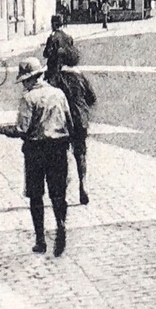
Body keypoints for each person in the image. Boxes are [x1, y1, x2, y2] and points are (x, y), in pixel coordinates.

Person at [0, 58, 73, 256]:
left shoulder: (28, 98)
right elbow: (69, 121)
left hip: (36, 150)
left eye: (23, 81)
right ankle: (61, 225)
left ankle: (40, 240)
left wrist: (0, 128)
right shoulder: (58, 94)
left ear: (29, 79)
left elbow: (22, 129)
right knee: (58, 193)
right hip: (58, 148)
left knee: (36, 195)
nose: (23, 84)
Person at [50, 62, 98, 205]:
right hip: (80, 119)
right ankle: (83, 183)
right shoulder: (80, 77)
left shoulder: (56, 78)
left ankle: (63, 191)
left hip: (63, 120)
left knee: (62, 155)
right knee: (81, 153)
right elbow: (92, 99)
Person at [44, 14, 80, 80]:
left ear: (54, 25)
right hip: (66, 68)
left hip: (55, 70)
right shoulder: (69, 37)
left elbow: (46, 54)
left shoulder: (52, 38)